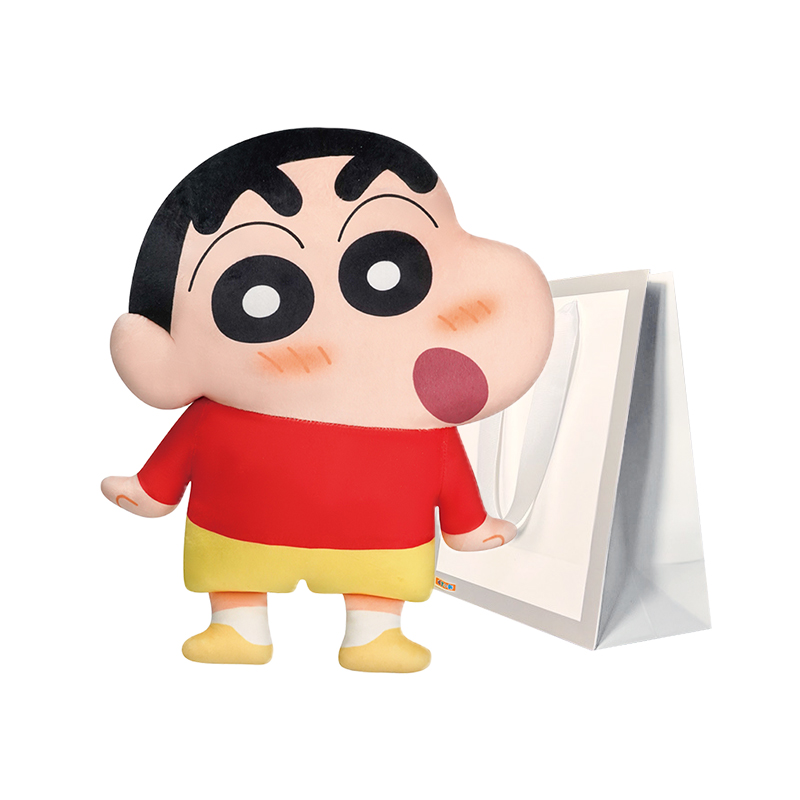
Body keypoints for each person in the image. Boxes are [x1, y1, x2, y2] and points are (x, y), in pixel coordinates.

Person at [102, 128, 554, 672]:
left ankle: (373, 634)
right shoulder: (215, 417)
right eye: (260, 297)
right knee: (242, 575)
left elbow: (449, 475)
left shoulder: (421, 427)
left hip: (361, 541)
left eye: (384, 270)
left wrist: (468, 527)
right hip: (251, 533)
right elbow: (176, 458)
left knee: (373, 582)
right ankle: (239, 627)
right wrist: (149, 492)